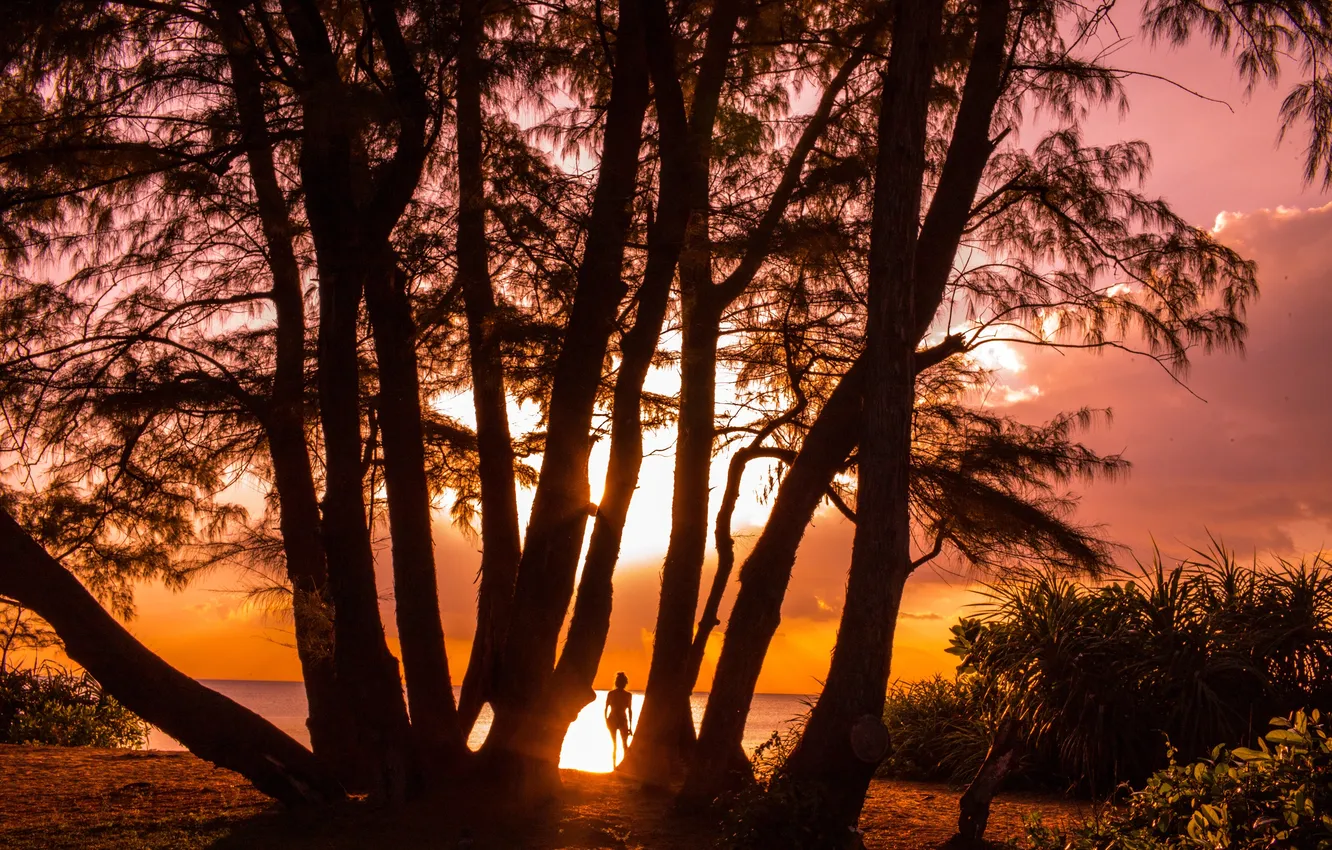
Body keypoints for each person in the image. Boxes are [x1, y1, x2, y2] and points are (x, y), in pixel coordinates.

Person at [604, 671, 633, 768]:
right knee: (622, 744)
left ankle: (616, 766)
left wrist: (606, 720)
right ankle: (617, 766)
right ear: (625, 683)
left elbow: (606, 708)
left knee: (616, 745)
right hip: (618, 720)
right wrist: (630, 726)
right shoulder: (627, 695)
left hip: (615, 720)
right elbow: (629, 711)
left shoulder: (613, 694)